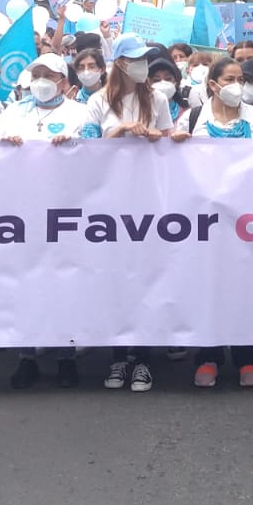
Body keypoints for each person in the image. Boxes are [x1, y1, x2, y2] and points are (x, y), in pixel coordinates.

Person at [0, 53, 94, 390]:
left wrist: (75, 146)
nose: (41, 81)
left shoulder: (78, 113)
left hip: (66, 211)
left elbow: (97, 157)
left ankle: (66, 355)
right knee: (26, 282)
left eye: (48, 75)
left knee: (65, 279)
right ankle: (28, 357)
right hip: (21, 213)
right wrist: (4, 146)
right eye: (35, 74)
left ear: (64, 81)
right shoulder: (13, 112)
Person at [174, 58, 253, 388]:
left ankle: (248, 357)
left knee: (246, 286)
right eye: (229, 79)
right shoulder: (194, 117)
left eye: (240, 79)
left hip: (247, 218)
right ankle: (208, 355)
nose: (237, 85)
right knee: (209, 285)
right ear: (212, 84)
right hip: (203, 220)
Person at [87, 35, 170, 392]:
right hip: (110, 203)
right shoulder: (98, 101)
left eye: (145, 59)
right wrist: (118, 131)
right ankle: (119, 357)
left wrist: (164, 137)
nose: (143, 65)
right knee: (115, 277)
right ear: (119, 63)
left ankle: (144, 359)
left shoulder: (158, 98)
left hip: (148, 199)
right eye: (135, 59)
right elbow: (85, 148)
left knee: (146, 275)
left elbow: (171, 144)